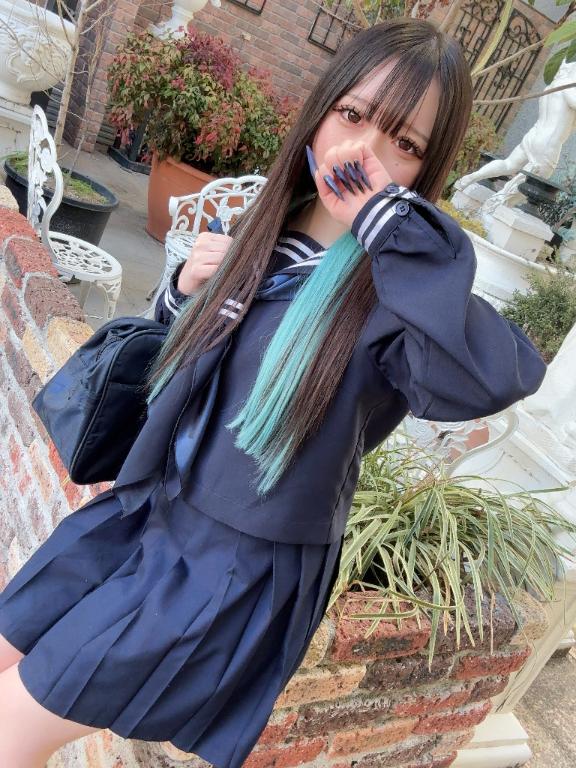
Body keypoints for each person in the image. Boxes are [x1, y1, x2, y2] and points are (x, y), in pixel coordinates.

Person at [0, 18, 546, 768]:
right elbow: (184, 379)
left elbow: (492, 375)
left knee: (11, 728)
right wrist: (182, 298)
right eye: (353, 114)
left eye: (404, 143)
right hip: (143, 515)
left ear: (424, 173)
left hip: (226, 570)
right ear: (321, 110)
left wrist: (382, 221)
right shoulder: (262, 231)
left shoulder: (400, 300)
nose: (362, 151)